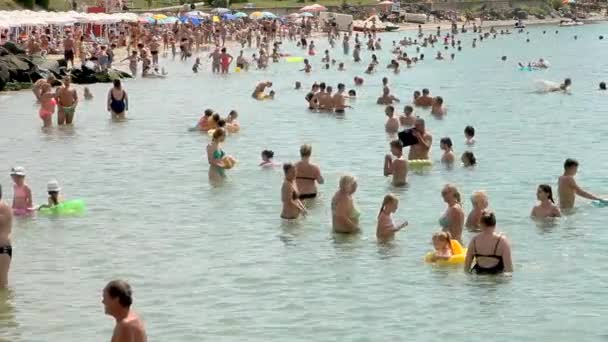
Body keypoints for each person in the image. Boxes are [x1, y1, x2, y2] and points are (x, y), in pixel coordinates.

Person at [0, 184, 12, 288]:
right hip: (5, 248)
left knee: (2, 283)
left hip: (2, 248)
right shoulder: (6, 207)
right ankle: (5, 303)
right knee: (3, 283)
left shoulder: (2, 207)